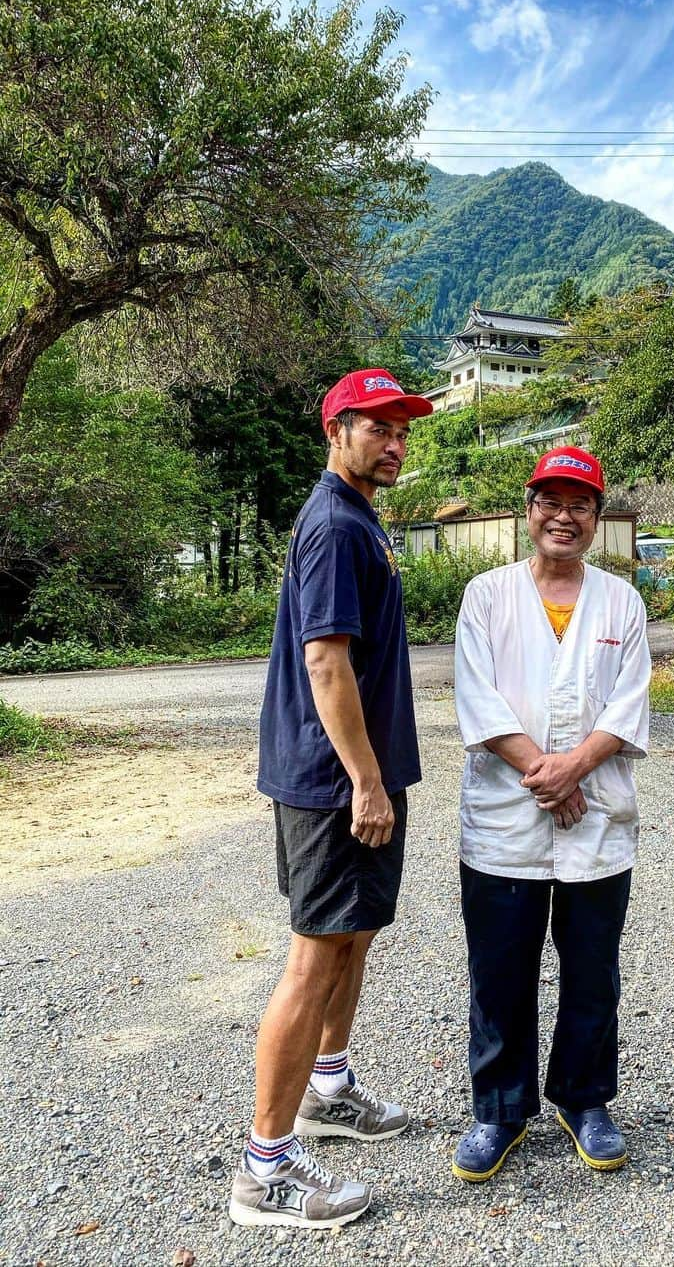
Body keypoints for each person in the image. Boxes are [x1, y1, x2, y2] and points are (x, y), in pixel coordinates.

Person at [228, 368, 433, 1231]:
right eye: (376, 427)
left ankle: (329, 1087)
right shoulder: (333, 525)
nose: (393, 442)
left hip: (349, 779)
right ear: (335, 431)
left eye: (402, 430)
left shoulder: (360, 517)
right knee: (314, 954)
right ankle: (263, 1169)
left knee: (352, 933)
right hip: (333, 784)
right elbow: (325, 660)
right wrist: (365, 780)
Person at [450, 446, 651, 1183]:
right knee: (500, 969)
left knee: (592, 969)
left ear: (596, 518)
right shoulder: (487, 594)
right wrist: (547, 770)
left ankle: (584, 1098)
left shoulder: (620, 602)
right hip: (505, 818)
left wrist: (574, 768)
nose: (564, 515)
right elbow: (477, 697)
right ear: (528, 509)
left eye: (580, 503)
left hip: (596, 817)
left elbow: (628, 704)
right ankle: (498, 1110)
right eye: (551, 501)